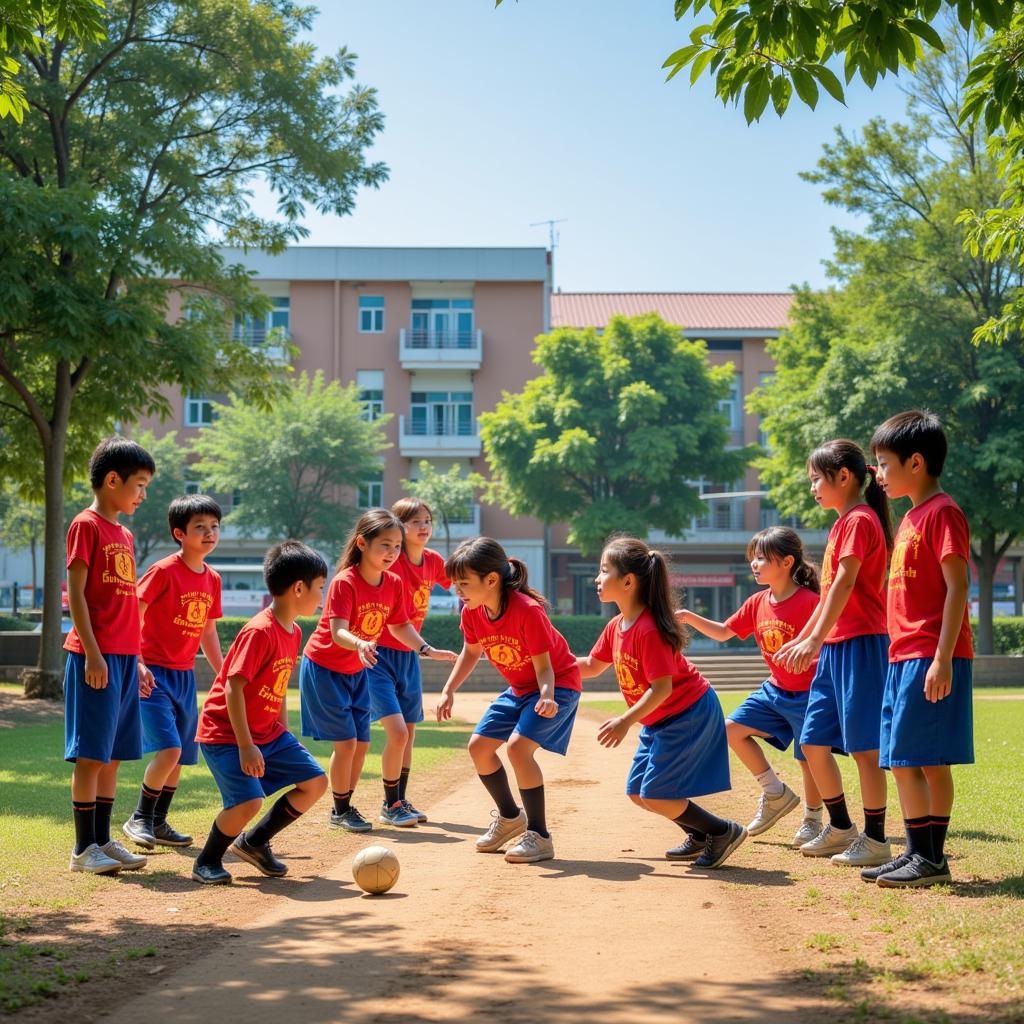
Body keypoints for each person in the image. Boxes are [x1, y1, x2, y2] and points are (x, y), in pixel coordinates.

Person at [577, 536, 745, 868]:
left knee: (656, 793)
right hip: (660, 719)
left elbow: (662, 689)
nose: (597, 578)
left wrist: (625, 720)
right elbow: (592, 667)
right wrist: (546, 663)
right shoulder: (616, 626)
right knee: (640, 793)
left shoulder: (648, 629)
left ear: (628, 581)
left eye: (603, 570)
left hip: (687, 713)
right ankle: (698, 835)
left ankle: (722, 831)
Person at [865, 410, 973, 887]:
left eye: (884, 464)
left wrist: (943, 658)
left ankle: (930, 858)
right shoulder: (910, 516)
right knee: (901, 757)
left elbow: (957, 588)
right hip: (902, 655)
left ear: (916, 462)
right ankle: (917, 851)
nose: (879, 474)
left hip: (930, 655)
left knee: (922, 759)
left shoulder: (942, 513)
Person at [775, 439, 894, 868]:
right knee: (813, 742)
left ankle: (877, 838)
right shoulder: (842, 524)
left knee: (864, 749)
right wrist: (807, 638)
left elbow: (844, 586)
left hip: (861, 644)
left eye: (816, 479)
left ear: (843, 477)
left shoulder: (860, 520)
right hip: (835, 648)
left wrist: (811, 639)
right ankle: (841, 826)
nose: (812, 488)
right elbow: (826, 595)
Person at [300, 510, 456, 833]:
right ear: (362, 543)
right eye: (385, 545)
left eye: (397, 546)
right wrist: (359, 643)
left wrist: (426, 649)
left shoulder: (394, 583)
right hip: (326, 667)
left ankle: (348, 806)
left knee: (361, 744)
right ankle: (342, 810)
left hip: (357, 667)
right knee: (346, 743)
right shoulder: (345, 582)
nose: (392, 553)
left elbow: (400, 625)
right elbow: (336, 631)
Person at [436, 537, 581, 865]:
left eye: (463, 583)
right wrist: (449, 689)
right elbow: (471, 652)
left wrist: (547, 696)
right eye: (455, 583)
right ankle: (510, 818)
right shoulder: (472, 611)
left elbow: (545, 667)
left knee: (518, 749)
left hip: (557, 686)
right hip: (519, 689)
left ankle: (540, 836)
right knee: (479, 747)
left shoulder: (527, 611)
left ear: (491, 580)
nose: (457, 590)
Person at [192, 541, 329, 885]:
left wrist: (282, 730)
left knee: (315, 782)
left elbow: (278, 683)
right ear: (299, 588)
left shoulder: (294, 630)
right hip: (226, 734)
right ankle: (206, 860)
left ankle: (254, 843)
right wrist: (246, 745)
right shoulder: (259, 630)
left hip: (268, 733)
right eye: (320, 588)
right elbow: (232, 687)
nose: (322, 597)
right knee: (248, 802)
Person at [679, 527, 825, 847]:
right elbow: (723, 632)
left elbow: (829, 641)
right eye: (752, 559)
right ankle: (775, 793)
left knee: (807, 758)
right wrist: (688, 616)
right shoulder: (758, 601)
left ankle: (814, 819)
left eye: (761, 558)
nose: (754, 564)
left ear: (787, 562)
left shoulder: (811, 601)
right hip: (775, 691)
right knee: (730, 729)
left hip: (810, 694)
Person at [64, 436, 155, 875]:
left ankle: (102, 839)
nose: (142, 494)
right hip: (94, 658)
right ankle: (84, 849)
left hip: (122, 658)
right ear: (112, 480)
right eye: (138, 484)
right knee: (91, 755)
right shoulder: (87, 524)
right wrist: (94, 655)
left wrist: (134, 660)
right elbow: (76, 596)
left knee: (114, 755)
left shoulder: (124, 532)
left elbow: (125, 605)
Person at [123, 495, 224, 849]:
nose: (209, 533)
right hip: (152, 674)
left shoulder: (212, 578)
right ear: (179, 533)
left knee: (179, 754)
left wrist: (223, 674)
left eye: (214, 526)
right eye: (200, 527)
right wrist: (135, 661)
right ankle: (139, 817)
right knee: (168, 750)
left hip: (184, 678)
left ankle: (159, 822)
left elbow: (208, 632)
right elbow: (135, 613)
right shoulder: (164, 570)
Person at [368, 497, 452, 823]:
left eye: (427, 520)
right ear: (399, 527)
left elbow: (459, 584)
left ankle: (400, 800)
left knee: (410, 733)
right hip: (379, 655)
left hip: (409, 656)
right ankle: (389, 806)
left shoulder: (432, 561)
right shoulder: (391, 563)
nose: (423, 527)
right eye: (415, 521)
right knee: (398, 733)